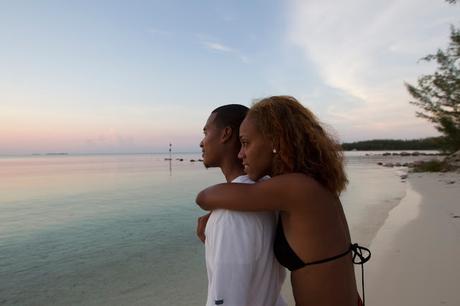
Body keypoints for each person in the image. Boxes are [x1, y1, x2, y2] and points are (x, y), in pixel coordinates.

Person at [196, 96, 370, 306]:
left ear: (275, 141)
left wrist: (218, 212)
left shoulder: (295, 187)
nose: (241, 153)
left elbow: (206, 197)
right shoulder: (308, 185)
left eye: (246, 143)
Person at [197, 104, 286, 306]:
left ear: (226, 134)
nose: (201, 142)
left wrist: (218, 229)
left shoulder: (229, 216)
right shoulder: (271, 197)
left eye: (206, 132)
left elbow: (225, 301)